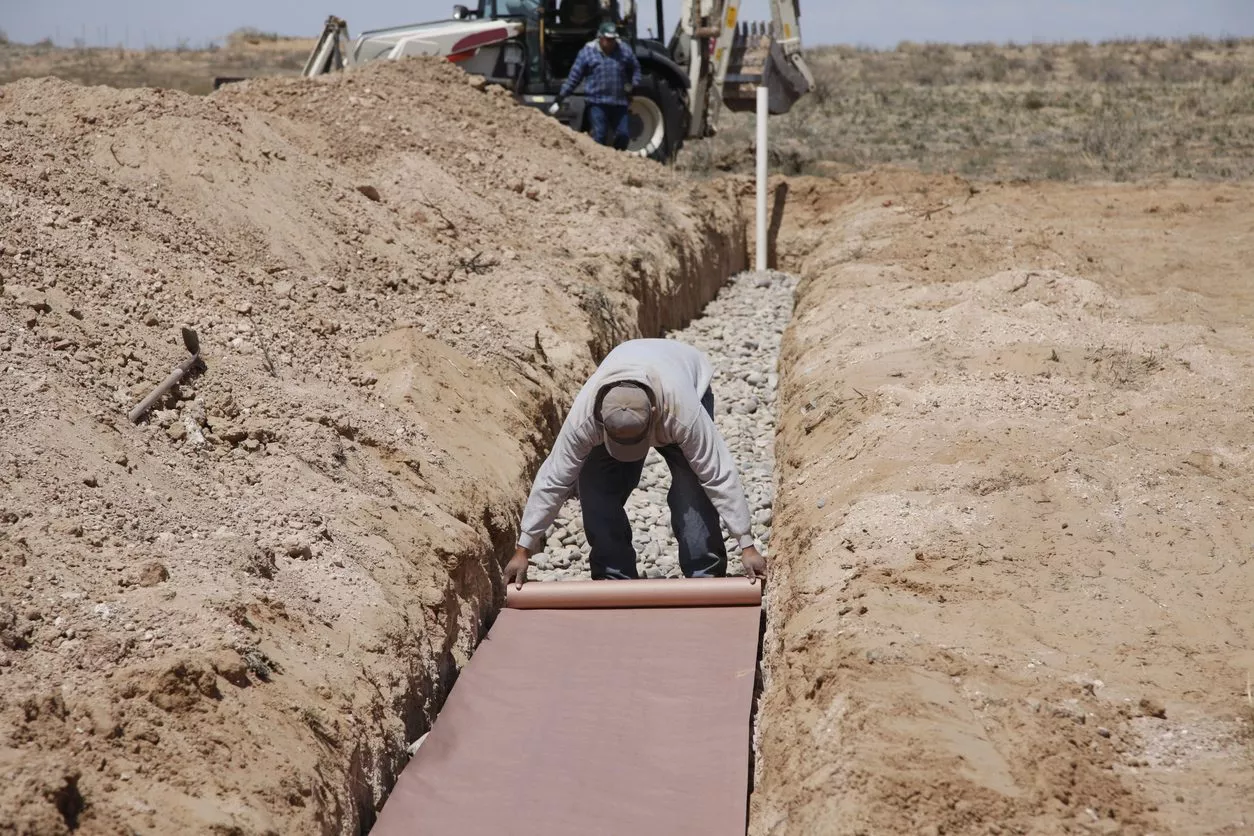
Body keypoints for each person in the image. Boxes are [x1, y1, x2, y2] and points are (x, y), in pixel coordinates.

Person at [504, 339, 768, 587]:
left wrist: (747, 545)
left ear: (654, 416)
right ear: (602, 422)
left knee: (692, 488)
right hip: (636, 374)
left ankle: (704, 575)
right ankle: (613, 577)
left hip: (683, 374)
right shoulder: (585, 418)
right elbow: (555, 479)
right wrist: (523, 548)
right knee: (595, 486)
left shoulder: (683, 413)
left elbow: (717, 473)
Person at [548, 20, 642, 151]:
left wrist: (634, 84)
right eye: (608, 39)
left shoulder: (624, 50)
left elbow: (636, 67)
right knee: (600, 135)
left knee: (623, 135)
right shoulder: (587, 52)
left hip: (619, 102)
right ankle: (599, 164)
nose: (611, 43)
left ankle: (618, 160)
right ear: (600, 37)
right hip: (597, 102)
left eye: (613, 39)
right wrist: (560, 97)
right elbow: (574, 78)